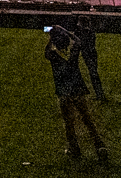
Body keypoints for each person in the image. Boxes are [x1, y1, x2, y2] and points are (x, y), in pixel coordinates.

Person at [45, 25, 108, 163]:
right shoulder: (73, 54)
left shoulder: (54, 56)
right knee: (87, 119)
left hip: (64, 92)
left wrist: (51, 37)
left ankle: (74, 148)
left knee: (69, 122)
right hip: (78, 89)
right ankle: (99, 145)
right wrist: (66, 31)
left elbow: (47, 51)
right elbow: (78, 41)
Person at [74, 15, 106, 100]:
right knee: (93, 73)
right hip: (89, 54)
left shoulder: (86, 32)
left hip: (89, 54)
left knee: (93, 73)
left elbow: (81, 43)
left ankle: (100, 95)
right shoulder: (87, 31)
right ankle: (99, 94)